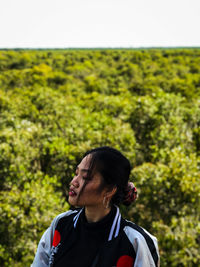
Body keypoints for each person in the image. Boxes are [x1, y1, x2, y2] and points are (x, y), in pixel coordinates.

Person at [31, 146, 160, 267]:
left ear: (110, 190)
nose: (74, 182)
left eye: (86, 177)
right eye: (76, 174)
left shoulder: (135, 241)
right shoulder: (61, 225)